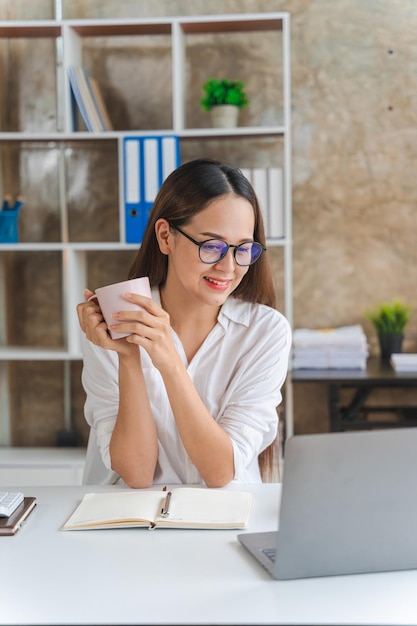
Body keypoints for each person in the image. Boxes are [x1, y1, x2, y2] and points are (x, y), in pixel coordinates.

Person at [77, 158, 291, 488]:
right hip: (133, 521)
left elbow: (219, 471)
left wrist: (168, 362)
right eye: (212, 246)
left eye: (242, 249)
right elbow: (136, 472)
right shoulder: (117, 319)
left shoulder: (265, 332)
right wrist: (128, 358)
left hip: (225, 519)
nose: (228, 267)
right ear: (166, 236)